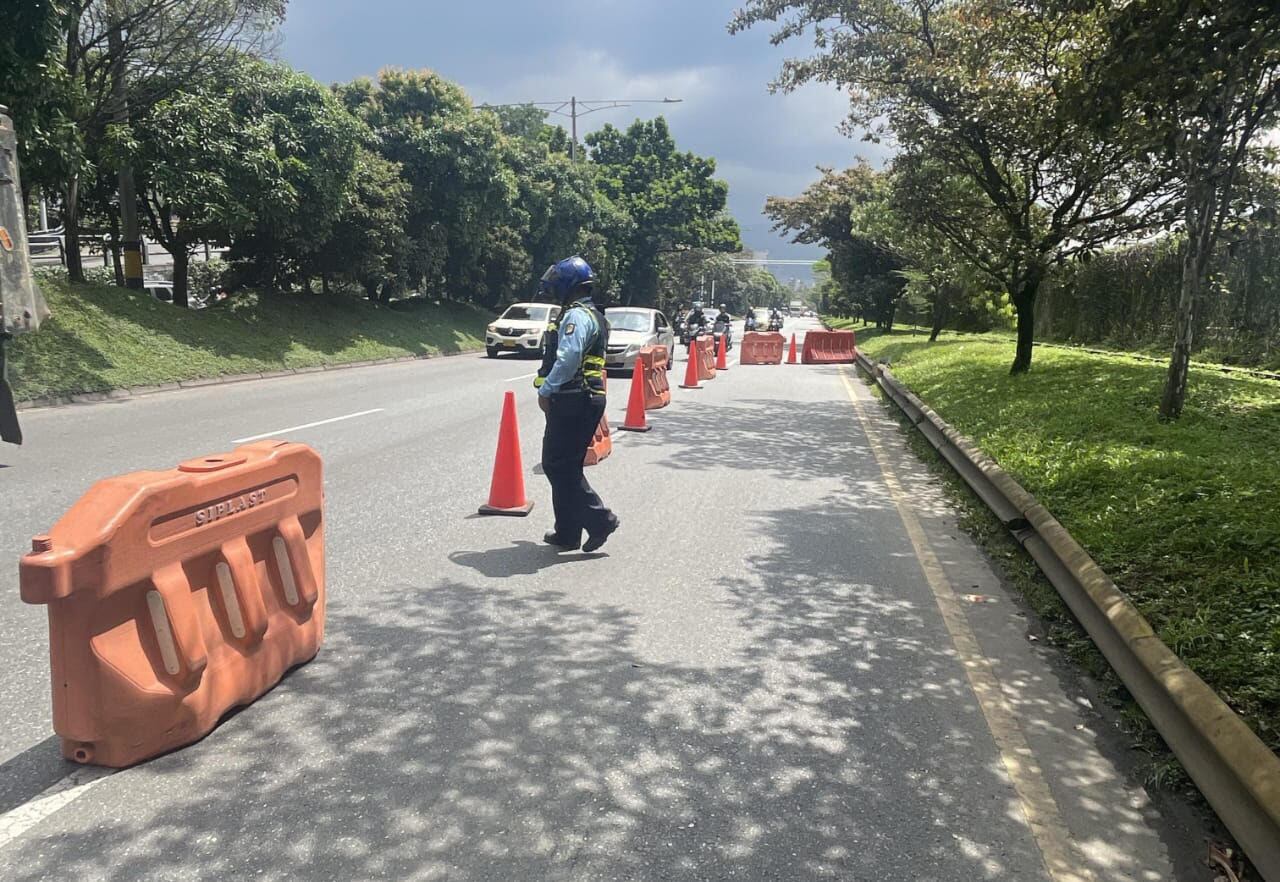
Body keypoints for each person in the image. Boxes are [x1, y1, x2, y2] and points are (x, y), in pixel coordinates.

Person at [535, 256, 620, 553]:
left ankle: (600, 520)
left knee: (558, 467)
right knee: (566, 467)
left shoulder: (576, 316)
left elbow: (569, 358)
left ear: (568, 285)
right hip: (583, 397)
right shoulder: (593, 314)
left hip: (574, 397)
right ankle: (567, 532)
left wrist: (547, 389)